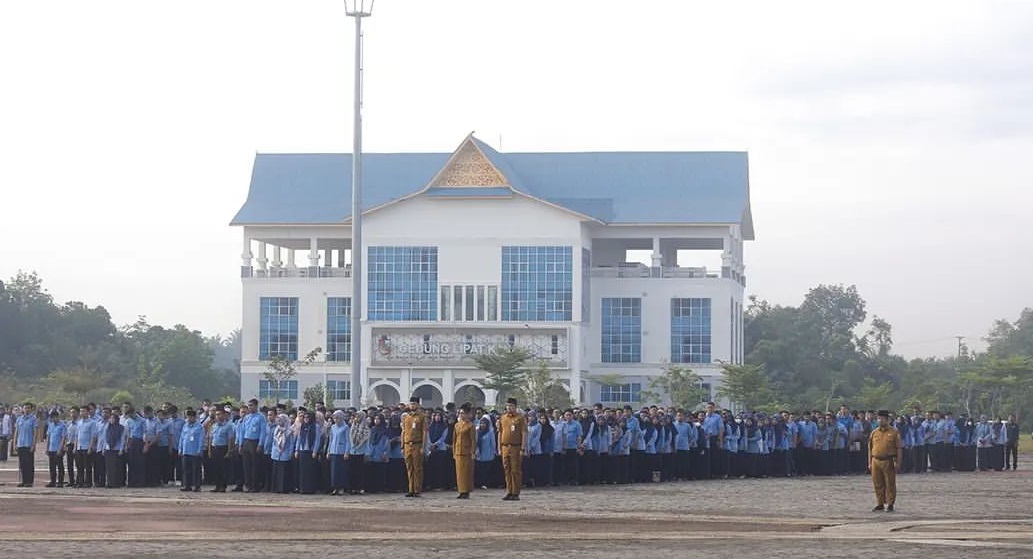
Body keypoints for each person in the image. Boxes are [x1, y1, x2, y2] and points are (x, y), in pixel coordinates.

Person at [869, 410, 903, 512]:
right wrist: (869, 462)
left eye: (882, 419)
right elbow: (870, 448)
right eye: (878, 418)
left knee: (890, 483)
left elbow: (899, 448)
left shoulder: (894, 432)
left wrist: (898, 462)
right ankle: (880, 503)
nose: (880, 420)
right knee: (877, 483)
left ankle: (890, 503)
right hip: (875, 460)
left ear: (888, 420)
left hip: (889, 460)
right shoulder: (874, 432)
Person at [497, 398, 528, 500]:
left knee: (515, 470)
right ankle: (509, 491)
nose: (509, 408)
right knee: (507, 470)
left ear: (515, 407)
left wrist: (523, 448)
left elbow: (524, 433)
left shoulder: (520, 418)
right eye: (507, 406)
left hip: (516, 447)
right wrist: (499, 447)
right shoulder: (503, 418)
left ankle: (515, 492)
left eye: (511, 406)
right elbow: (500, 432)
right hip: (505, 447)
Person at [401, 396, 428, 498]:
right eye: (411, 403)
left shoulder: (422, 417)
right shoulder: (406, 417)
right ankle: (410, 489)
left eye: (414, 404)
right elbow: (403, 431)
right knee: (409, 468)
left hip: (417, 444)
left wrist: (423, 446)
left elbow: (424, 432)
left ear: (418, 405)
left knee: (417, 468)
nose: (412, 406)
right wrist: (402, 446)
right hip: (407, 444)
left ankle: (417, 489)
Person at [452, 403, 475, 498]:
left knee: (466, 472)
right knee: (459, 472)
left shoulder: (470, 425)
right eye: (460, 413)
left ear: (468, 414)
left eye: (463, 413)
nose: (461, 415)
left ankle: (466, 491)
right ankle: (461, 490)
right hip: (458, 451)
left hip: (467, 451)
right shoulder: (457, 425)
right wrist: (454, 451)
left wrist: (473, 452)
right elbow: (454, 439)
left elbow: (473, 440)